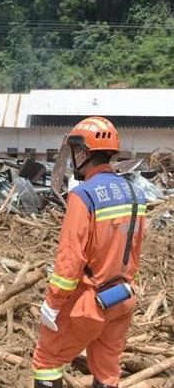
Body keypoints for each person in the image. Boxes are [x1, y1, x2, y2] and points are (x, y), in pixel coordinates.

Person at [32, 117, 147, 388]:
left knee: (46, 361)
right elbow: (135, 250)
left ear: (83, 153)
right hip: (123, 299)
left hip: (89, 303)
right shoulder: (136, 194)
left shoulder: (83, 196)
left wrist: (53, 302)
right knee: (107, 369)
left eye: (74, 153)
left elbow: (70, 260)